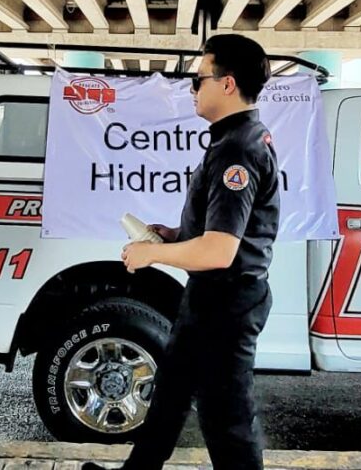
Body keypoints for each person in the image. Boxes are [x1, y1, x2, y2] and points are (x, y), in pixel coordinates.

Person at [88, 34, 281, 470]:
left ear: (227, 84)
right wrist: (173, 235)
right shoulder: (235, 138)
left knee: (226, 418)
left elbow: (220, 250)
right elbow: (220, 229)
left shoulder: (238, 149)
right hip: (210, 298)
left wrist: (150, 255)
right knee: (170, 396)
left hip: (227, 302)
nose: (193, 89)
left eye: (199, 79)